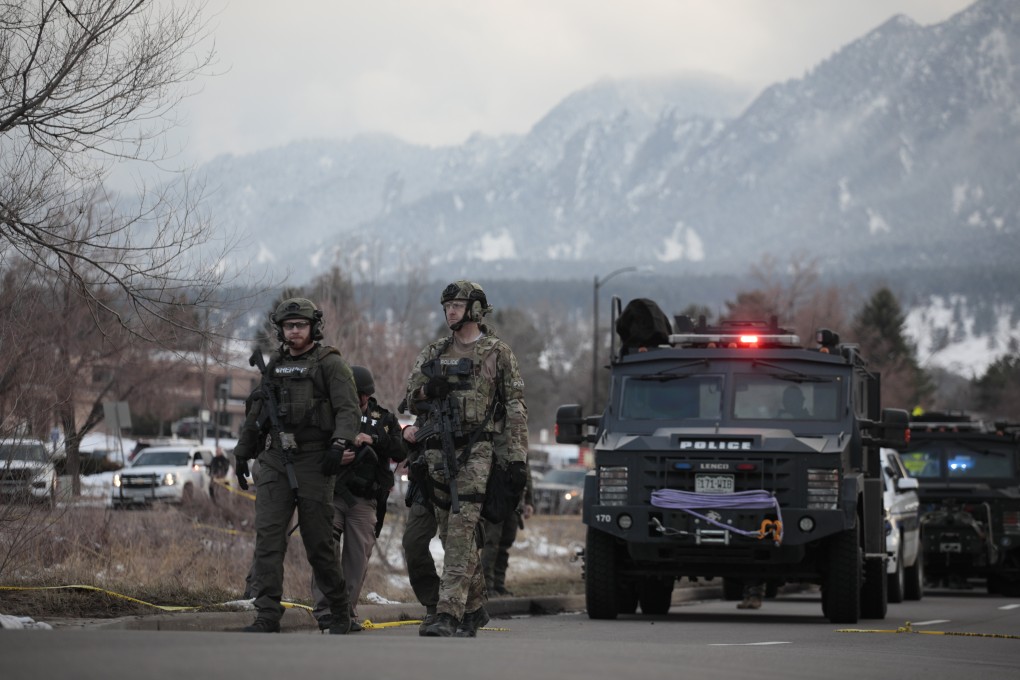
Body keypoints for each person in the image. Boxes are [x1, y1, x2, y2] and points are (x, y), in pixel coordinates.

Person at [402, 280, 529, 638]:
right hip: (436, 452)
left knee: (460, 529)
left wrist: (516, 460)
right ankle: (473, 609)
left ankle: (448, 612)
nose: (450, 312)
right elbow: (410, 398)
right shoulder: (433, 353)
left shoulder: (496, 352)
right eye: (447, 307)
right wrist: (429, 390)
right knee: (450, 533)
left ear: (475, 309)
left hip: (477, 451)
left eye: (457, 306)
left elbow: (516, 408)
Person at [231, 297, 362, 634]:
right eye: (289, 326)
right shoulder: (274, 366)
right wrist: (242, 453)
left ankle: (338, 610)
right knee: (268, 539)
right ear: (281, 330)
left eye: (300, 325)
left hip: (315, 460)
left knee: (319, 543)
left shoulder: (330, 364)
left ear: (313, 328)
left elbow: (348, 409)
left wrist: (339, 443)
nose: (294, 331)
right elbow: (260, 412)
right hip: (276, 458)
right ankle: (266, 614)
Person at [310, 365, 407, 632]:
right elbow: (312, 450)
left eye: (359, 395)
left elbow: (400, 450)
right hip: (333, 494)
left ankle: (346, 611)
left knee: (356, 557)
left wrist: (374, 439)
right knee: (325, 550)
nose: (354, 399)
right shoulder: (332, 414)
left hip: (365, 500)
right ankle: (324, 610)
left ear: (367, 396)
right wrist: (335, 457)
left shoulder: (384, 419)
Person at [481, 443, 534, 597]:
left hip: (515, 501)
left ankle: (498, 584)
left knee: (505, 544)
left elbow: (526, 472)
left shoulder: (519, 440)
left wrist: (529, 500)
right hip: (495, 499)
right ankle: (486, 586)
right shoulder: (491, 437)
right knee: (491, 543)